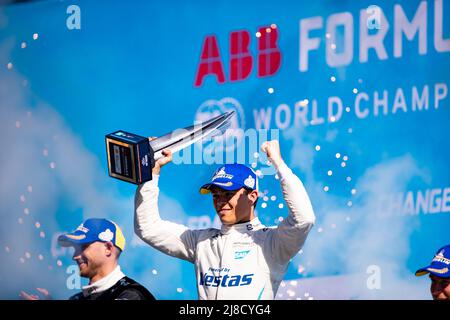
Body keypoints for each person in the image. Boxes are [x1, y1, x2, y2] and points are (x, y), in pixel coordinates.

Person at [134, 140, 315, 299]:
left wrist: (278, 163)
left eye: (228, 194)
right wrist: (151, 174)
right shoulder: (201, 241)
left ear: (252, 196)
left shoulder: (271, 242)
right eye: (215, 195)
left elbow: (304, 219)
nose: (220, 202)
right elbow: (148, 228)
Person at [21, 218, 155, 300]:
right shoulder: (77, 298)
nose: (75, 256)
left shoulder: (131, 295)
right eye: (74, 249)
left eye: (83, 247)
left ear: (108, 248)